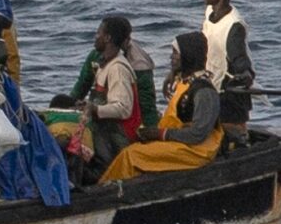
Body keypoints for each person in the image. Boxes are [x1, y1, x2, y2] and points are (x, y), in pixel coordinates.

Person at [100, 30, 224, 180]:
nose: (171, 57)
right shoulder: (185, 81)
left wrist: (160, 134)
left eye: (176, 53)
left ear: (188, 56)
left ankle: (111, 189)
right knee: (133, 146)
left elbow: (197, 134)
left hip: (197, 150)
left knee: (132, 155)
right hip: (181, 141)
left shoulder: (204, 92)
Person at [76, 15, 142, 179]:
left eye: (98, 33)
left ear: (108, 38)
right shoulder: (105, 64)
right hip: (108, 129)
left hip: (118, 136)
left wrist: (95, 109)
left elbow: (123, 109)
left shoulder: (117, 69)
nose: (95, 36)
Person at [202, 0, 254, 136]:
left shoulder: (234, 25)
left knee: (232, 132)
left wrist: (245, 73)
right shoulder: (210, 12)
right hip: (211, 82)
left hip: (229, 90)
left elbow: (238, 56)